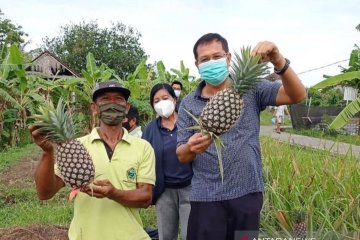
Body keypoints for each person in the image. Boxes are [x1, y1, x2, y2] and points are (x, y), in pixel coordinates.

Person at [176, 33, 306, 240]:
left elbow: (297, 95)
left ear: (228, 58)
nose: (211, 62)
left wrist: (278, 60)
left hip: (247, 194)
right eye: (205, 59)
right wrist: (190, 148)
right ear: (197, 64)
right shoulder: (188, 103)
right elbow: (181, 155)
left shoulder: (253, 89)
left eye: (216, 56)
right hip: (206, 197)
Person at [30, 80, 156, 240]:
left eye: (118, 99)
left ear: (127, 107)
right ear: (94, 108)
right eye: (105, 99)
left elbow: (146, 198)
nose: (112, 104)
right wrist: (47, 152)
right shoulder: (76, 147)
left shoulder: (143, 147)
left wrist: (113, 193)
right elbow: (45, 193)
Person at [143, 83, 192, 240]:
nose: (161, 103)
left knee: (190, 234)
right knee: (166, 235)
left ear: (174, 100)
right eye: (156, 101)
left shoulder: (189, 123)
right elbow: (144, 158)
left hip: (190, 187)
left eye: (165, 98)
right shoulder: (150, 130)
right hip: (164, 190)